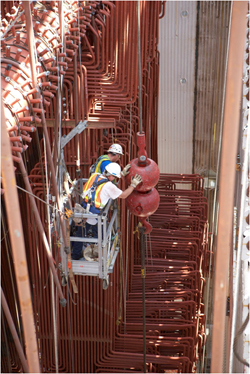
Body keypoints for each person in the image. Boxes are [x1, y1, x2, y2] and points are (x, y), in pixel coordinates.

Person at [71, 163, 142, 260]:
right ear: (111, 175)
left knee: (80, 234)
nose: (114, 178)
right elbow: (124, 195)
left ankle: (75, 255)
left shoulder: (95, 175)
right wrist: (133, 185)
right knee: (101, 235)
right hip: (94, 215)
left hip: (83, 210)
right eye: (115, 177)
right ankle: (100, 255)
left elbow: (104, 181)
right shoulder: (109, 186)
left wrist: (121, 174)